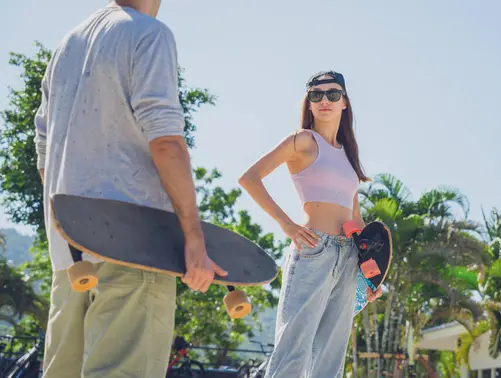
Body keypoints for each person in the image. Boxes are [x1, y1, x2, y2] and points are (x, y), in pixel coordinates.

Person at [33, 1, 226, 377]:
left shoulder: (66, 45)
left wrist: (76, 225)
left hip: (69, 257)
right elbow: (166, 142)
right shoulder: (148, 34)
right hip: (135, 249)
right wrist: (193, 236)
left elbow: (43, 153)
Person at [238, 70, 382, 378]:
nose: (325, 101)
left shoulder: (349, 156)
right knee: (293, 350)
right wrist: (286, 224)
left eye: (333, 94)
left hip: (347, 257)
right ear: (309, 103)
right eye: (316, 95)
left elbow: (356, 222)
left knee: (330, 359)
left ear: (345, 102)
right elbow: (249, 178)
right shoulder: (302, 141)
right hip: (313, 248)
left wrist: (369, 277)